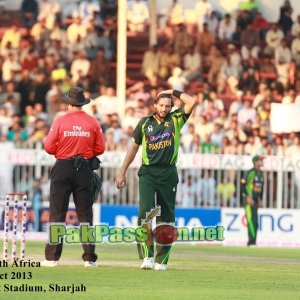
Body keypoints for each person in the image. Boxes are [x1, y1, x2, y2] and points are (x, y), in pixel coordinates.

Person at [115, 89, 196, 271]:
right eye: (162, 105)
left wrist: (171, 91)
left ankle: (162, 260)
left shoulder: (176, 119)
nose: (165, 108)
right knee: (145, 213)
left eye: (168, 105)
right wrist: (122, 172)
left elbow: (191, 101)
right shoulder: (144, 123)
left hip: (168, 173)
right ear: (155, 106)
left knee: (166, 216)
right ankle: (147, 257)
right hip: (148, 173)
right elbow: (133, 148)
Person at [41, 87, 105, 267]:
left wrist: (64, 150)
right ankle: (89, 259)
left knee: (57, 213)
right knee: (85, 214)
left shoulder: (60, 120)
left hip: (63, 166)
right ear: (82, 103)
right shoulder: (93, 122)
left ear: (68, 103)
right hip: (84, 168)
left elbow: (48, 147)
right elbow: (100, 148)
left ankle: (52, 258)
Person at [241, 155, 264, 246]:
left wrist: (260, 199)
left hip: (255, 200)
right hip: (248, 200)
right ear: (255, 162)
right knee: (250, 220)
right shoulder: (250, 172)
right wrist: (247, 197)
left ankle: (253, 241)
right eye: (260, 160)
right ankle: (251, 242)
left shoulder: (261, 174)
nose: (262, 162)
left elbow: (260, 188)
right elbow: (243, 184)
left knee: (255, 221)